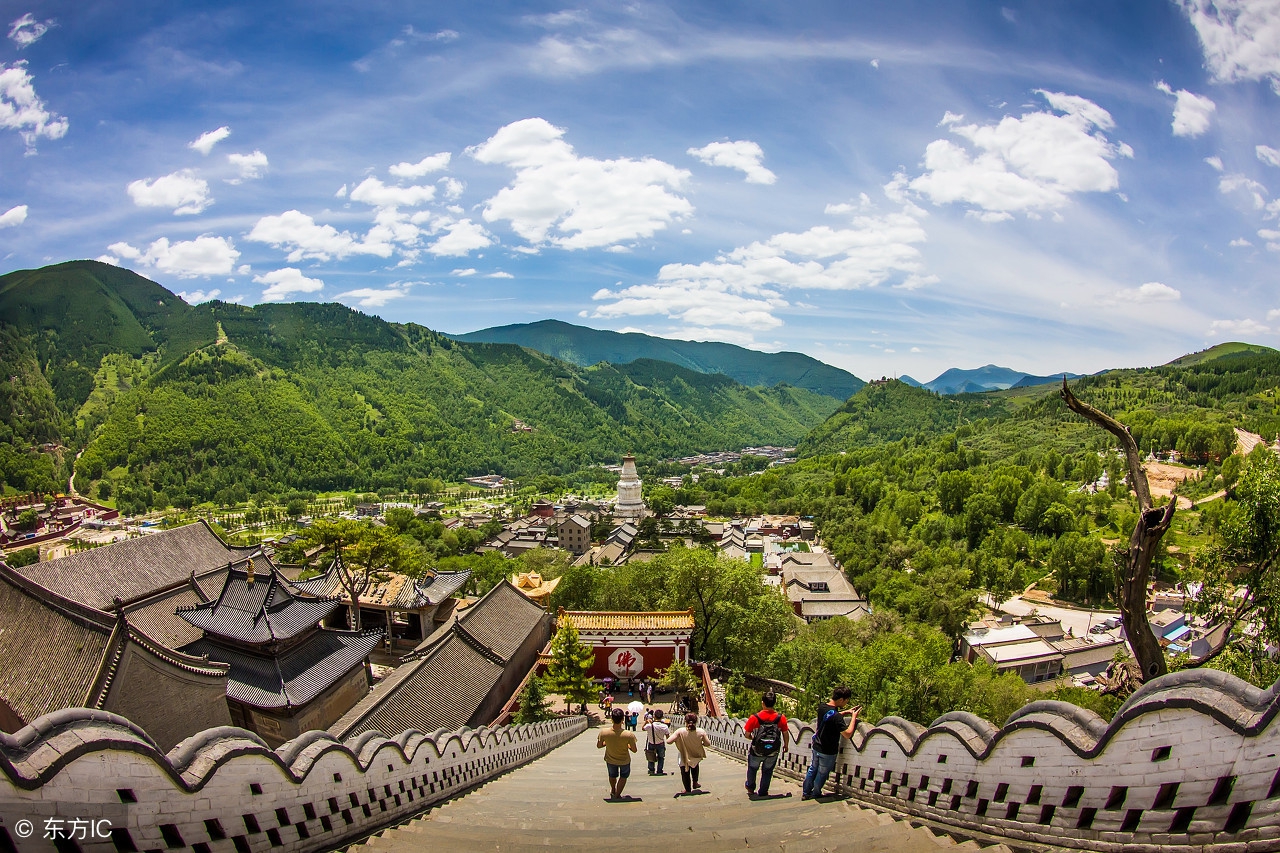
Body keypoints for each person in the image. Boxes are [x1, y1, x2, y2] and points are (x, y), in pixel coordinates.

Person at [801, 685, 860, 801]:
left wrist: (844, 712)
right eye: (846, 701)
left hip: (816, 746)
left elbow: (829, 717)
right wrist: (853, 717)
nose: (846, 704)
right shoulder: (836, 717)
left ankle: (805, 792)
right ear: (841, 699)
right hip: (828, 750)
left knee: (813, 768)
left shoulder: (822, 707)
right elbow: (847, 734)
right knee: (822, 773)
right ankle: (816, 793)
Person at [743, 690, 789, 798]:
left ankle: (750, 787)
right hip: (773, 751)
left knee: (752, 769)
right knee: (768, 771)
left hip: (756, 751)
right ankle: (763, 791)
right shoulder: (780, 718)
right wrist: (786, 745)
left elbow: (746, 734)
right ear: (774, 703)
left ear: (762, 703)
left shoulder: (754, 717)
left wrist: (753, 738)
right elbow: (785, 733)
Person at [597, 706, 638, 800]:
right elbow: (634, 750)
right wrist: (627, 745)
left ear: (612, 719)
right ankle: (617, 795)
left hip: (610, 758)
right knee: (623, 777)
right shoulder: (629, 734)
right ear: (623, 719)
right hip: (624, 760)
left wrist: (607, 742)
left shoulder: (604, 732)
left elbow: (599, 745)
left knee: (612, 775)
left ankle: (613, 789)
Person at [666, 712, 712, 795]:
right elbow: (708, 744)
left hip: (684, 755)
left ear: (685, 721)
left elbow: (669, 741)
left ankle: (687, 789)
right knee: (695, 767)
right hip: (696, 754)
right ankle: (695, 782)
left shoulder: (680, 731)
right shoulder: (701, 732)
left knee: (685, 773)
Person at [642, 709, 670, 776]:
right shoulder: (665, 726)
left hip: (651, 743)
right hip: (660, 743)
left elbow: (643, 728)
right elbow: (668, 737)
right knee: (661, 757)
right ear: (662, 716)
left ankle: (651, 770)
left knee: (651, 757)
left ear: (654, 716)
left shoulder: (649, 725)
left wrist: (646, 722)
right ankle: (659, 770)